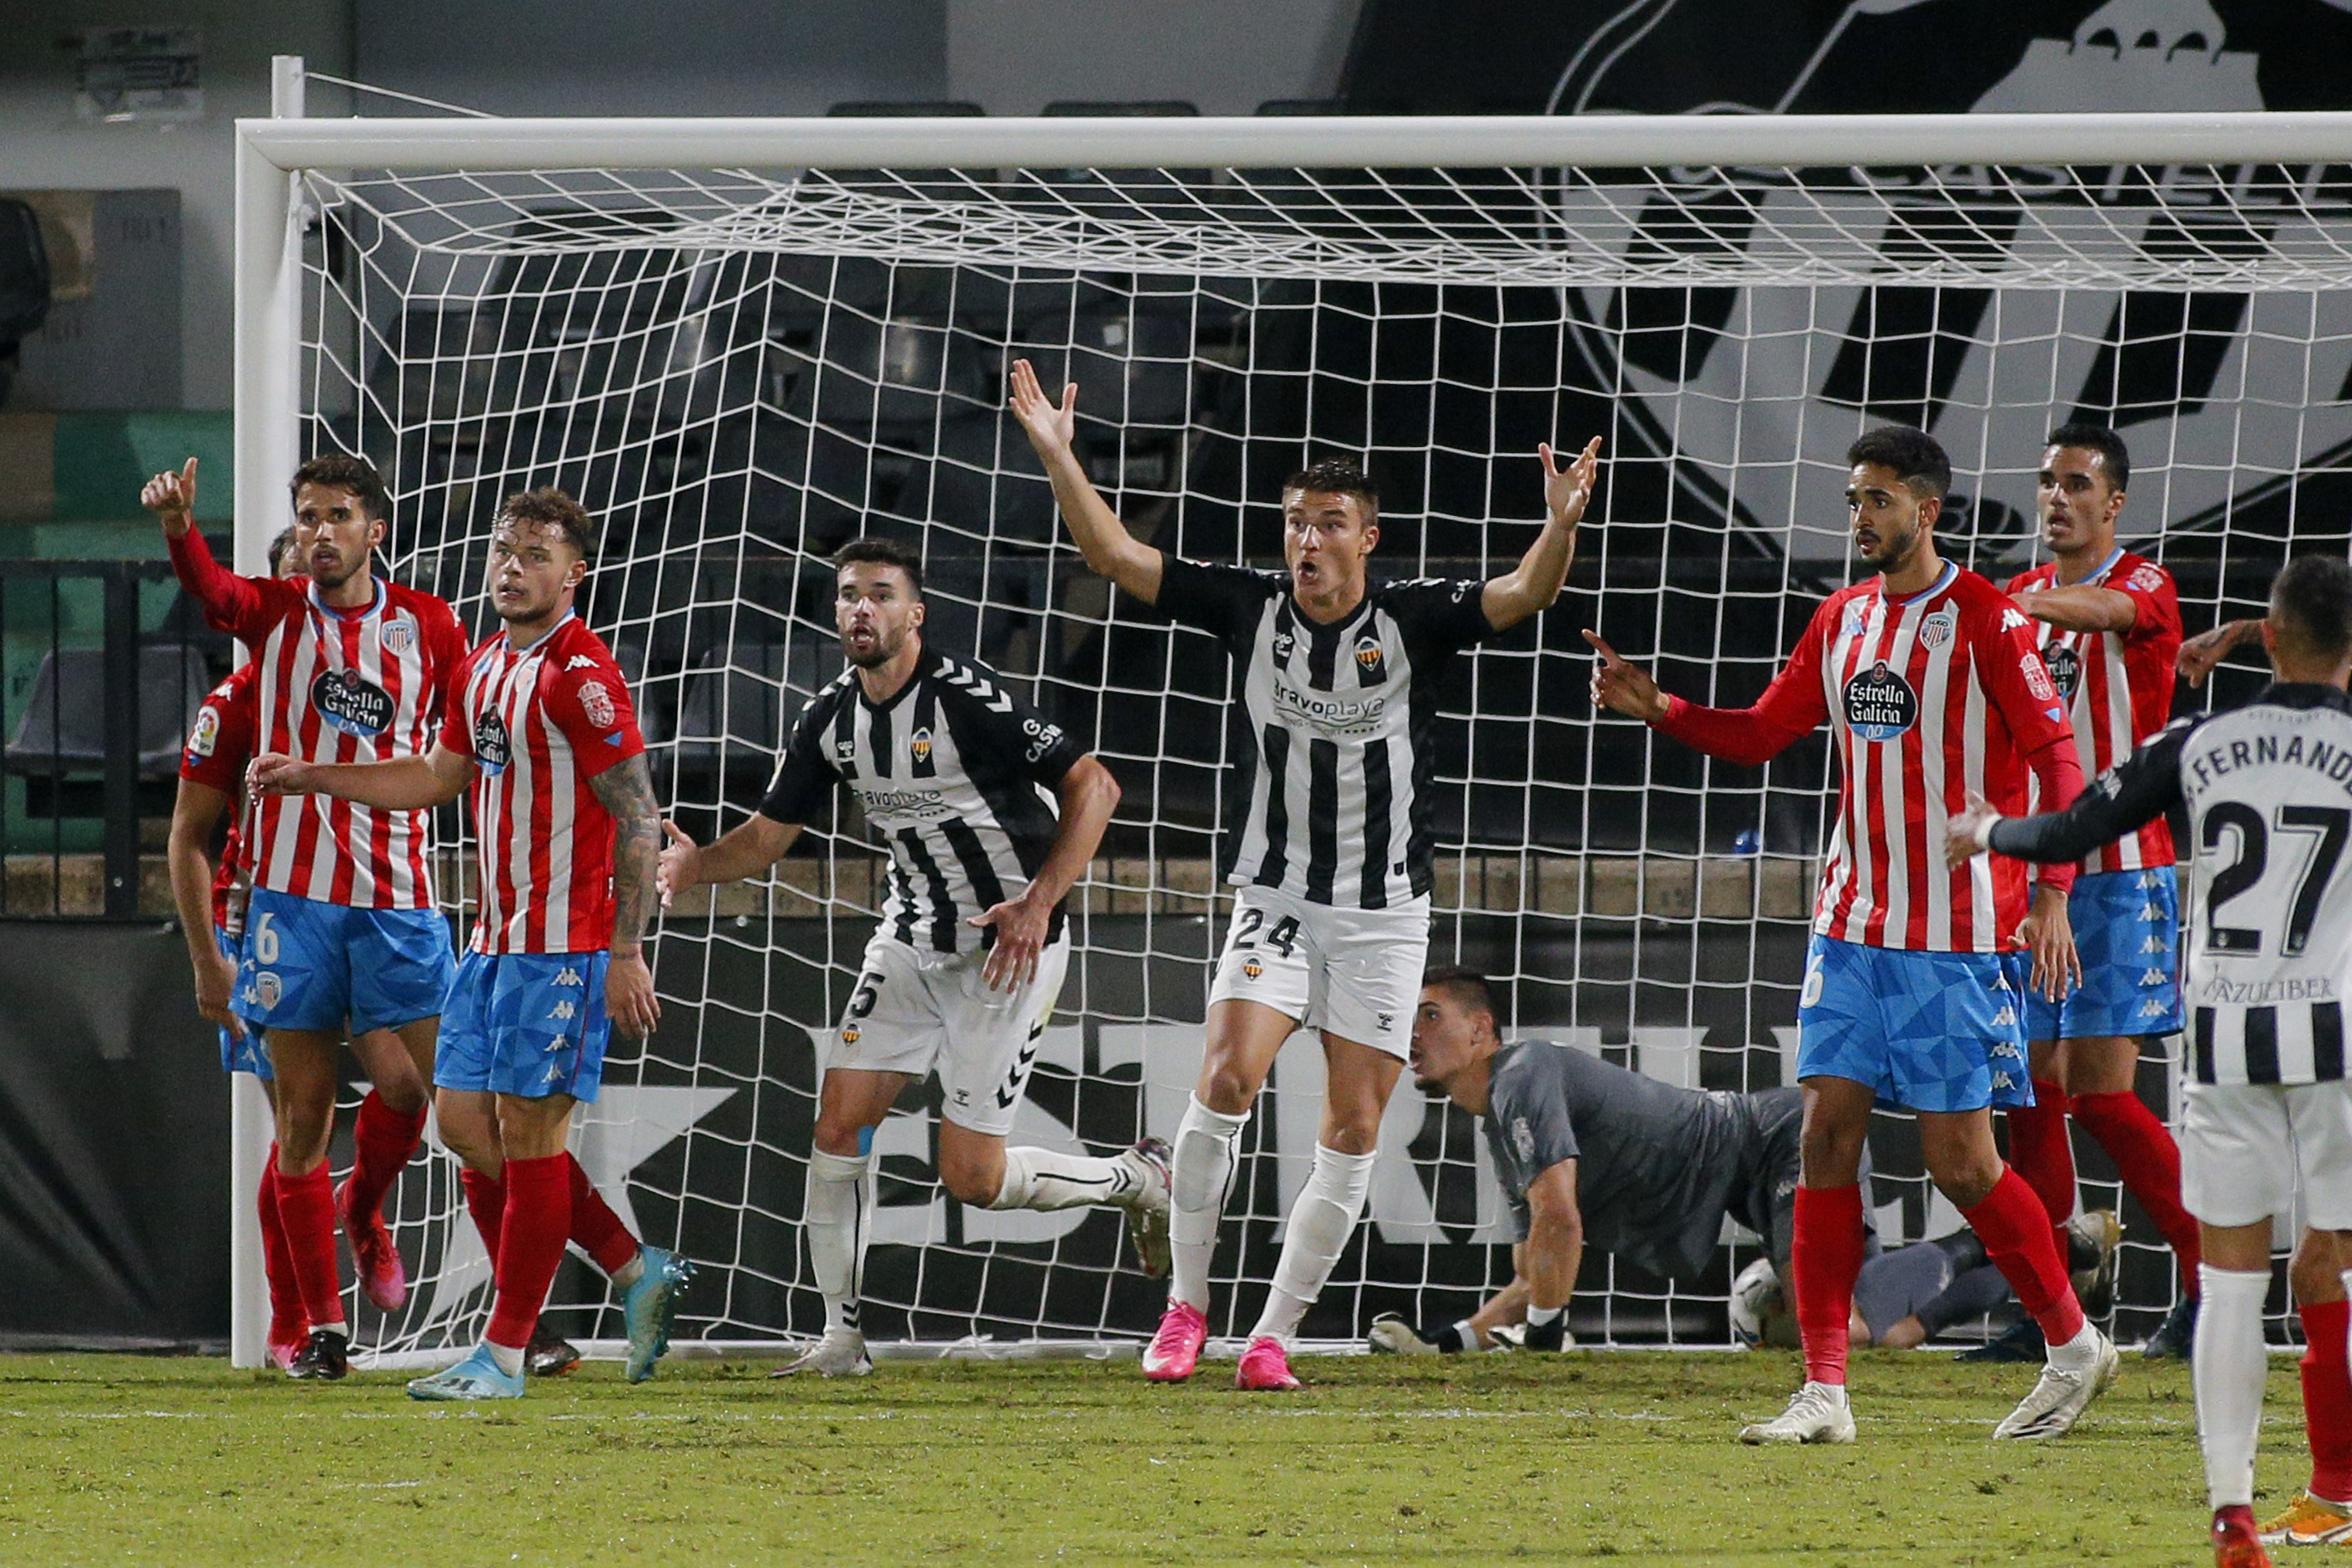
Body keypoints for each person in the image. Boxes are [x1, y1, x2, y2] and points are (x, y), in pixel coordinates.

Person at [1010, 358, 1602, 1390]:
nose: (1308, 540)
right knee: (1227, 1081)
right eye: (1295, 522)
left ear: (1366, 539)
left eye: (1329, 523)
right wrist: (1062, 455)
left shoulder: (1416, 620)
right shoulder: (1248, 609)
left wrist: (1559, 523)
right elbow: (1111, 553)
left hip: (1381, 916)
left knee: (1352, 1124)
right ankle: (1185, 1312)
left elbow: (1526, 592)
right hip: (1275, 896)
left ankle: (1273, 1336)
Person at [1588, 424, 2116, 1446]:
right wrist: (1662, 707)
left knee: (1962, 1163)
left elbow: (2059, 760)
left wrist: (2051, 887)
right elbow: (1764, 731)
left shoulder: (1988, 621)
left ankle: (2070, 1340)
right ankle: (1825, 1388)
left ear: (1926, 511)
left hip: (1957, 938)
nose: (1860, 518)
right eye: (1852, 500)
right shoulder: (1840, 618)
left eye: (1877, 500)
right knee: (1825, 1137)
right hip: (1850, 930)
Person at [655, 537, 1166, 1380]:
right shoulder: (828, 719)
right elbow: (771, 836)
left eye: (882, 595)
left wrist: (1039, 905)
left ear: (915, 614)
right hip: (909, 941)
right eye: (850, 594)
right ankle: (841, 1338)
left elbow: (1097, 787)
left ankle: (1136, 1176)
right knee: (837, 1125)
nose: (863, 609)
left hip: (1006, 952)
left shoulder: (967, 699)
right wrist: (695, 864)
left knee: (973, 1178)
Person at [1950, 555, 2352, 1568]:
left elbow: (2078, 823)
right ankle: (2334, 1489)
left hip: (2228, 1047)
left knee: (2229, 1284)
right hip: (2336, 1041)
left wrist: (1988, 829)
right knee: (2330, 1263)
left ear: (2269, 632)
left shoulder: (2201, 743)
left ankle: (2232, 1513)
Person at [253, 488, 694, 1400]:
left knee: (529, 1137)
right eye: (504, 550)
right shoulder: (486, 665)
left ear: (575, 575)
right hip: (489, 943)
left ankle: (502, 1355)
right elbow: (436, 775)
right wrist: (314, 776)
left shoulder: (582, 675)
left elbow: (641, 819)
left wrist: (623, 952)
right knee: (460, 1126)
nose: (510, 567)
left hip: (561, 948)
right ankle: (630, 1265)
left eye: (535, 555)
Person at [146, 454, 466, 1380]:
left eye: (335, 517)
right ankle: (309, 1326)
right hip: (284, 908)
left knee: (427, 1092)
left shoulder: (427, 627)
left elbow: (460, 742)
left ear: (374, 528)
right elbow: (188, 834)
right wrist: (178, 530)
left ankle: (365, 1214)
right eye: (303, 521)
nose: (317, 535)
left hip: (400, 901)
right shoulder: (257, 659)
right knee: (302, 1117)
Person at [1980, 423, 2199, 1365]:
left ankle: (2211, 1283)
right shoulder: (2017, 598)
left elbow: (2109, 616)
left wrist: (2007, 608)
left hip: (2122, 872)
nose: (2057, 498)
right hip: (2033, 878)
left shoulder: (2143, 586)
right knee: (2030, 1089)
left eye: (2077, 484)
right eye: (2046, 483)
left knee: (2105, 1095)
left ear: (2113, 504)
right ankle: (2059, 1311)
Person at [1369, 966, 1866, 1357]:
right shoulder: (1503, 1125)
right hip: (1751, 1165)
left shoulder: (1521, 1076)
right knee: (1823, 1327)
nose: (1412, 1033)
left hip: (1784, 1136)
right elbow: (1532, 1280)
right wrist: (1446, 1342)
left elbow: (1561, 1218)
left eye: (1430, 1016)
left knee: (1834, 1332)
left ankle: (1919, 1317)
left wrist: (1544, 1334)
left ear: (1480, 1030)